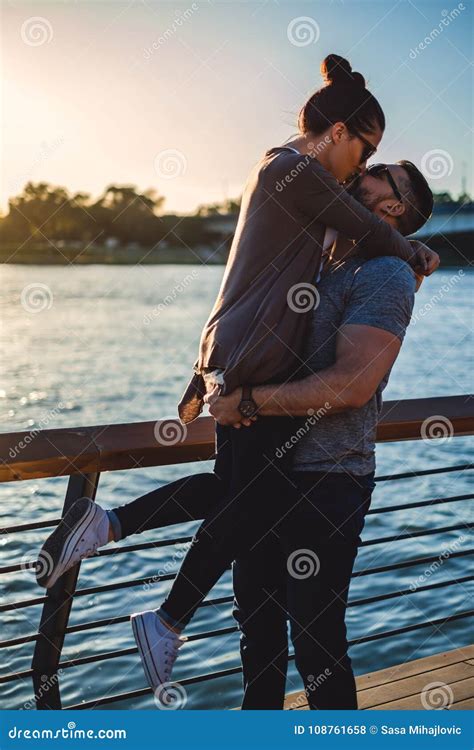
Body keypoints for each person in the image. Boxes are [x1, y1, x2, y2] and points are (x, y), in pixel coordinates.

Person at [35, 53, 438, 705]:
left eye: (379, 167)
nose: (364, 168)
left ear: (395, 204)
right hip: (267, 428)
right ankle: (135, 573)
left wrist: (221, 379)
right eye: (368, 150)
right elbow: (248, 288)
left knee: (311, 638)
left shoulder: (371, 266)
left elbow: (338, 368)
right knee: (257, 625)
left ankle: (137, 574)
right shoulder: (298, 182)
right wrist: (212, 372)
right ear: (338, 133)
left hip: (322, 475)